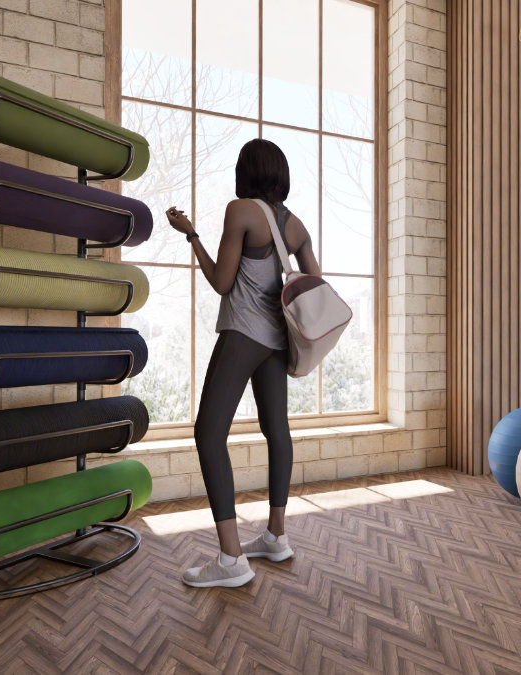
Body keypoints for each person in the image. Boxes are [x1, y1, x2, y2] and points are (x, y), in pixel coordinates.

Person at [164, 138, 320, 588]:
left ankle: (232, 560)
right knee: (278, 432)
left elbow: (221, 281)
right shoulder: (295, 226)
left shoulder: (240, 211)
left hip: (243, 336)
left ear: (245, 172)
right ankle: (275, 536)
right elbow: (315, 284)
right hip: (276, 342)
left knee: (208, 433)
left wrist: (191, 235)